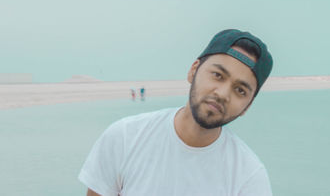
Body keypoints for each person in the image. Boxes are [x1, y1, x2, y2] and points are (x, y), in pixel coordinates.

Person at [79, 29, 274, 196]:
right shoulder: (125, 137)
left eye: (240, 90)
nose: (223, 94)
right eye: (217, 75)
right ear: (193, 70)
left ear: (247, 106)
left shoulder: (248, 177)